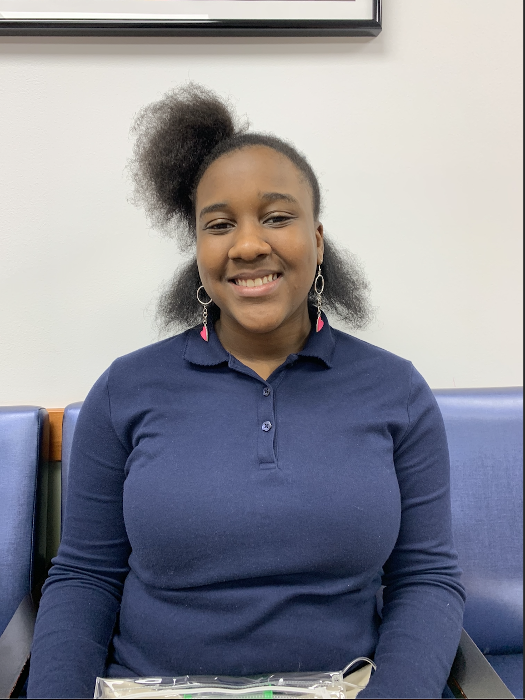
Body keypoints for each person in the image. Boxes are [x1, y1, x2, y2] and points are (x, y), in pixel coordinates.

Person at [27, 83, 465, 699]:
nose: (249, 244)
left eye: (278, 216)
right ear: (199, 250)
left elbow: (426, 578)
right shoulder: (125, 388)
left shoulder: (398, 391)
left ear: (317, 241)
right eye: (220, 224)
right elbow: (85, 577)